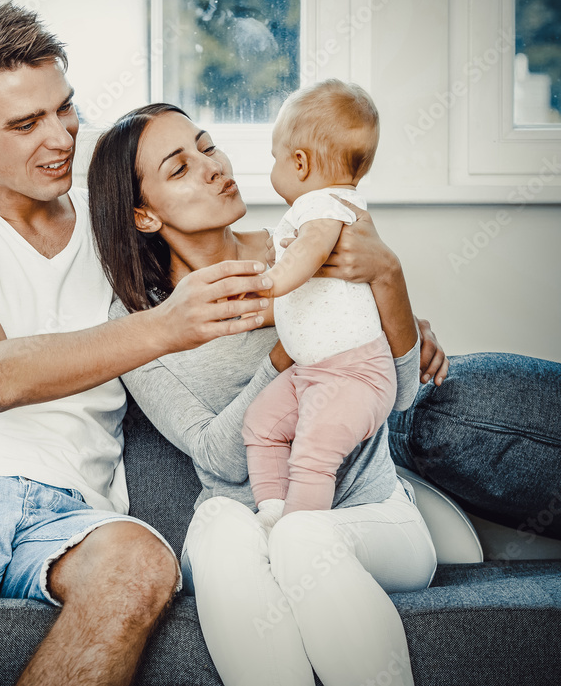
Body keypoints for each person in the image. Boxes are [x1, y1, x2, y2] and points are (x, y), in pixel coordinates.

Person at [0, 1, 278, 686]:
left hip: (76, 507)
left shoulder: (114, 225)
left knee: (142, 568)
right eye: (24, 123)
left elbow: (251, 258)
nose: (61, 137)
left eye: (64, 108)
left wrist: (371, 315)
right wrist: (164, 323)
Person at [88, 102, 441, 686]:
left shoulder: (310, 247)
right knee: (225, 524)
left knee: (303, 536)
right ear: (144, 216)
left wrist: (389, 278)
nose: (213, 166)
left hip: (371, 517)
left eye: (207, 145)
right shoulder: (141, 323)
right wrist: (285, 358)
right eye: (179, 169)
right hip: (244, 523)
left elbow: (398, 398)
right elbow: (216, 457)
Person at [242, 79, 399, 527]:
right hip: (313, 372)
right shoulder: (316, 207)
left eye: (275, 158)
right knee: (262, 424)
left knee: (311, 453)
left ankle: (299, 533)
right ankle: (273, 512)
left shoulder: (326, 206)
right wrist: (258, 306)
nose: (273, 167)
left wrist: (271, 279)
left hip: (353, 375)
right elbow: (307, 298)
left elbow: (309, 255)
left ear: (300, 162)